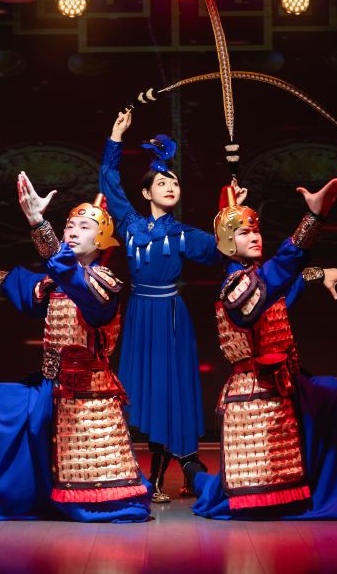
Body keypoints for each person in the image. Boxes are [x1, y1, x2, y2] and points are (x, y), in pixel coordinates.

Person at [0, 172, 150, 522]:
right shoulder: (60, 281)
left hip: (82, 399)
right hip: (47, 390)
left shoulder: (102, 284)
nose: (72, 232)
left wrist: (39, 222)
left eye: (83, 227)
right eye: (69, 226)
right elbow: (26, 283)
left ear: (101, 239)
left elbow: (71, 278)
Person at [185, 179, 337, 520]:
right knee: (248, 499)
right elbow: (281, 272)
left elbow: (286, 281)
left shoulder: (258, 281)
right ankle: (195, 475)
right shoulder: (236, 289)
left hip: (293, 386)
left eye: (256, 230)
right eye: (243, 233)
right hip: (260, 395)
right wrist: (313, 218)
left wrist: (320, 273)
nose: (254, 237)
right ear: (226, 243)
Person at [100, 108, 251, 501]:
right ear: (146, 193)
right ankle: (151, 473)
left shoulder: (184, 234)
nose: (170, 186)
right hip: (140, 316)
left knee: (168, 392)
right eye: (162, 182)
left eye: (175, 182)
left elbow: (225, 248)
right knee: (142, 393)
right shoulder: (130, 224)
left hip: (169, 318)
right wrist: (115, 139)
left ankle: (163, 477)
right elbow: (109, 180)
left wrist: (233, 213)